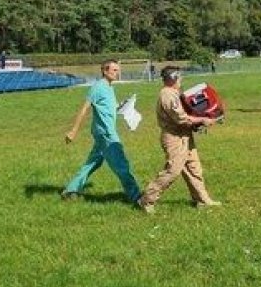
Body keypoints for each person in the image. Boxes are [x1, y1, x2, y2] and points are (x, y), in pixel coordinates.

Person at [138, 66, 220, 213]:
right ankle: (146, 200)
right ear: (173, 78)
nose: (181, 80)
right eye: (179, 77)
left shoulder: (174, 93)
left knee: (194, 169)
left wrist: (200, 118)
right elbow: (181, 118)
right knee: (173, 170)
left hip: (184, 135)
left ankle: (202, 200)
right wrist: (203, 119)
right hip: (174, 137)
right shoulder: (167, 95)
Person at [62, 60, 142, 205]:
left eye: (118, 70)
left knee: (93, 163)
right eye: (114, 70)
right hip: (106, 133)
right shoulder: (98, 87)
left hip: (102, 132)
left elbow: (108, 107)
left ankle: (71, 190)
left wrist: (123, 106)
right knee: (121, 163)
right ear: (105, 71)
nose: (117, 73)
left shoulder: (109, 87)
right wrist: (73, 131)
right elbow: (85, 108)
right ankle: (136, 196)